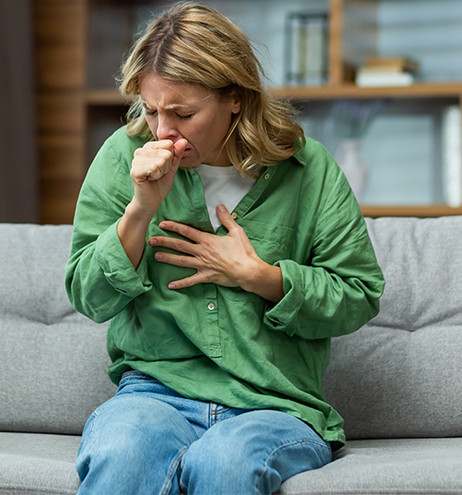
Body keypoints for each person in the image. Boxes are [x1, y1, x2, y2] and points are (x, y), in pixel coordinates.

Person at [64, 3, 385, 494]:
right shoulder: (122, 157)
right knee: (122, 453)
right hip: (155, 394)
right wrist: (140, 210)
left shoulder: (309, 170)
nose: (163, 131)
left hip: (272, 404)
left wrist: (261, 277)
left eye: (184, 113)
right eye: (151, 110)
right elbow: (89, 296)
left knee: (224, 462)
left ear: (235, 98)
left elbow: (358, 294)